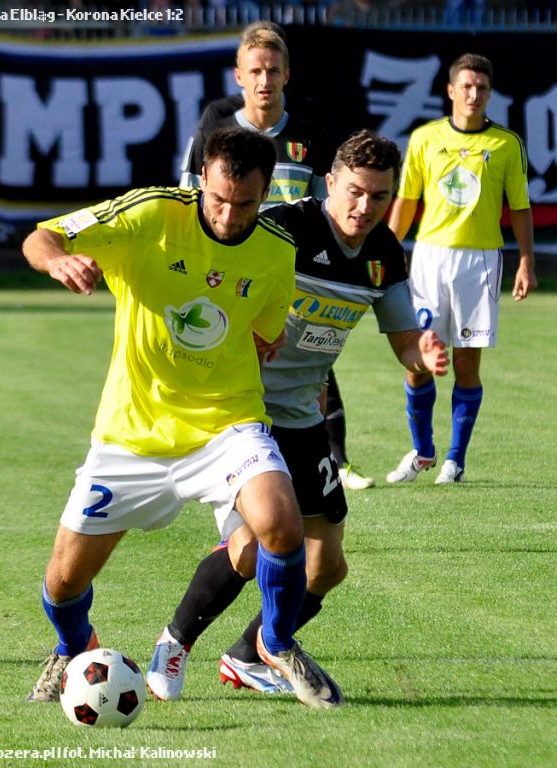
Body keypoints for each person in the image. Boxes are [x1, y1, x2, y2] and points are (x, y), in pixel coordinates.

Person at [23, 126, 342, 711]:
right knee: (63, 582)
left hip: (227, 424)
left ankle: (275, 643)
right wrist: (59, 262)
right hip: (131, 433)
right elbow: (41, 237)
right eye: (218, 198)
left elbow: (264, 333)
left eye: (245, 204)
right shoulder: (150, 214)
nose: (228, 215)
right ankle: (71, 647)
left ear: (265, 194)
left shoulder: (276, 249)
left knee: (281, 523)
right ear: (201, 181)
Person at [145, 129, 450, 701]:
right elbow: (208, 274)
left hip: (302, 416)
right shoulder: (280, 228)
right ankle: (174, 643)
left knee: (327, 567)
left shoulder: (383, 254)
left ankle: (249, 655)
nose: (364, 206)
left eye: (379, 196)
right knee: (254, 543)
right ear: (330, 182)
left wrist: (423, 352)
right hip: (237, 412)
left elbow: (405, 342)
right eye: (355, 191)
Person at [181, 22, 373, 491]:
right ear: (239, 76)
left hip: (292, 275)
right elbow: (190, 199)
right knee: (225, 358)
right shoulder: (217, 127)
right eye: (255, 71)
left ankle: (333, 461)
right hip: (231, 272)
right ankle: (217, 457)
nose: (264, 80)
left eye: (272, 70)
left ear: (287, 74)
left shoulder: (310, 132)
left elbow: (326, 207)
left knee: (313, 363)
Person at [386, 53, 536, 485]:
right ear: (451, 90)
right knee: (419, 360)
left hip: (480, 262)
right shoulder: (425, 138)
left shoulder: (506, 144)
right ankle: (423, 451)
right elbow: (407, 201)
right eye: (466, 86)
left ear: (490, 94)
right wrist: (387, 253)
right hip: (429, 259)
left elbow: (520, 207)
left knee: (466, 365)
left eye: (482, 88)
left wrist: (526, 260)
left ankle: (455, 459)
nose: (474, 94)